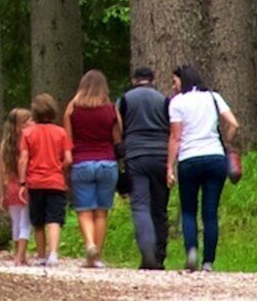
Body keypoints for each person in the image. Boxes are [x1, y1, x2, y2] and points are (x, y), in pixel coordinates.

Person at [167, 63, 244, 270]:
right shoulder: (213, 97)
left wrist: (169, 167)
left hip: (189, 158)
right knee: (210, 212)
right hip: (215, 157)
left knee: (188, 210)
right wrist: (226, 141)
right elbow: (233, 124)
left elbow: (176, 137)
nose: (173, 86)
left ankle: (191, 250)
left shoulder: (177, 102)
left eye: (174, 81)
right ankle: (208, 261)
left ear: (183, 81)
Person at [116, 65, 176, 270]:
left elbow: (118, 127)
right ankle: (159, 256)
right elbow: (171, 128)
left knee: (141, 205)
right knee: (159, 208)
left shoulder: (125, 100)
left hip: (136, 156)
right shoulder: (164, 100)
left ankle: (147, 252)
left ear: (134, 80)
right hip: (160, 156)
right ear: (152, 79)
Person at [64, 70, 121, 267]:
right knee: (101, 212)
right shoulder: (111, 109)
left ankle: (90, 245)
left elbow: (68, 140)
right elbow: (117, 137)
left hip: (82, 162)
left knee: (84, 210)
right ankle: (97, 256)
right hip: (107, 162)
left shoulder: (72, 109)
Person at [17, 93, 74, 267]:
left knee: (38, 221)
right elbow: (68, 159)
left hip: (35, 182)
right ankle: (54, 254)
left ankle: (41, 255)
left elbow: (23, 159)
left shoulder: (28, 133)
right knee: (54, 219)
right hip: (55, 181)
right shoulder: (61, 133)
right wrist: (60, 169)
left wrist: (22, 182)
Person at [1, 107, 34, 253]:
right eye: (29, 120)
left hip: (10, 187)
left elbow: (2, 170)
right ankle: (21, 256)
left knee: (15, 222)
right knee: (25, 223)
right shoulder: (27, 142)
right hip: (25, 186)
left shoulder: (5, 145)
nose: (33, 122)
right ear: (21, 125)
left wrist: (2, 193)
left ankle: (17, 252)